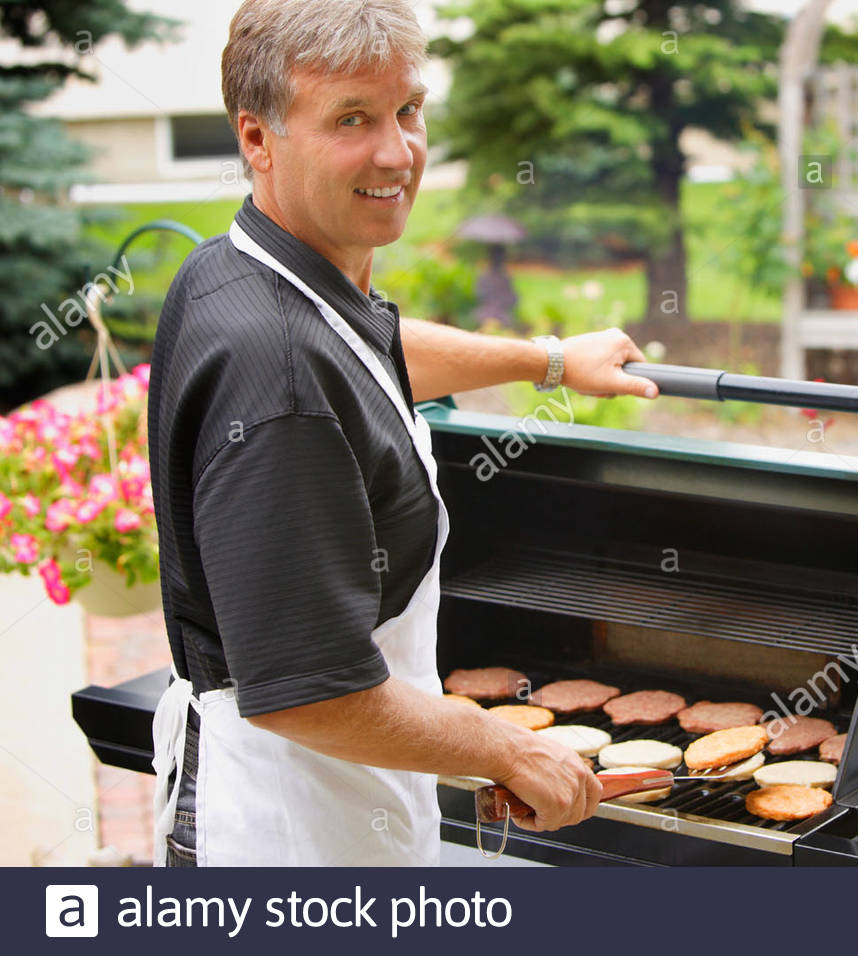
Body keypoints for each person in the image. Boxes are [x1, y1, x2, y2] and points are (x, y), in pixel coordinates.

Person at [147, 0, 659, 867]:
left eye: (407, 110)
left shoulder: (246, 268)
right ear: (257, 138)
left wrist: (547, 361)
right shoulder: (276, 378)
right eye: (351, 119)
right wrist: (506, 748)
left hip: (342, 798)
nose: (396, 152)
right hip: (288, 830)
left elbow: (371, 353)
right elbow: (306, 694)